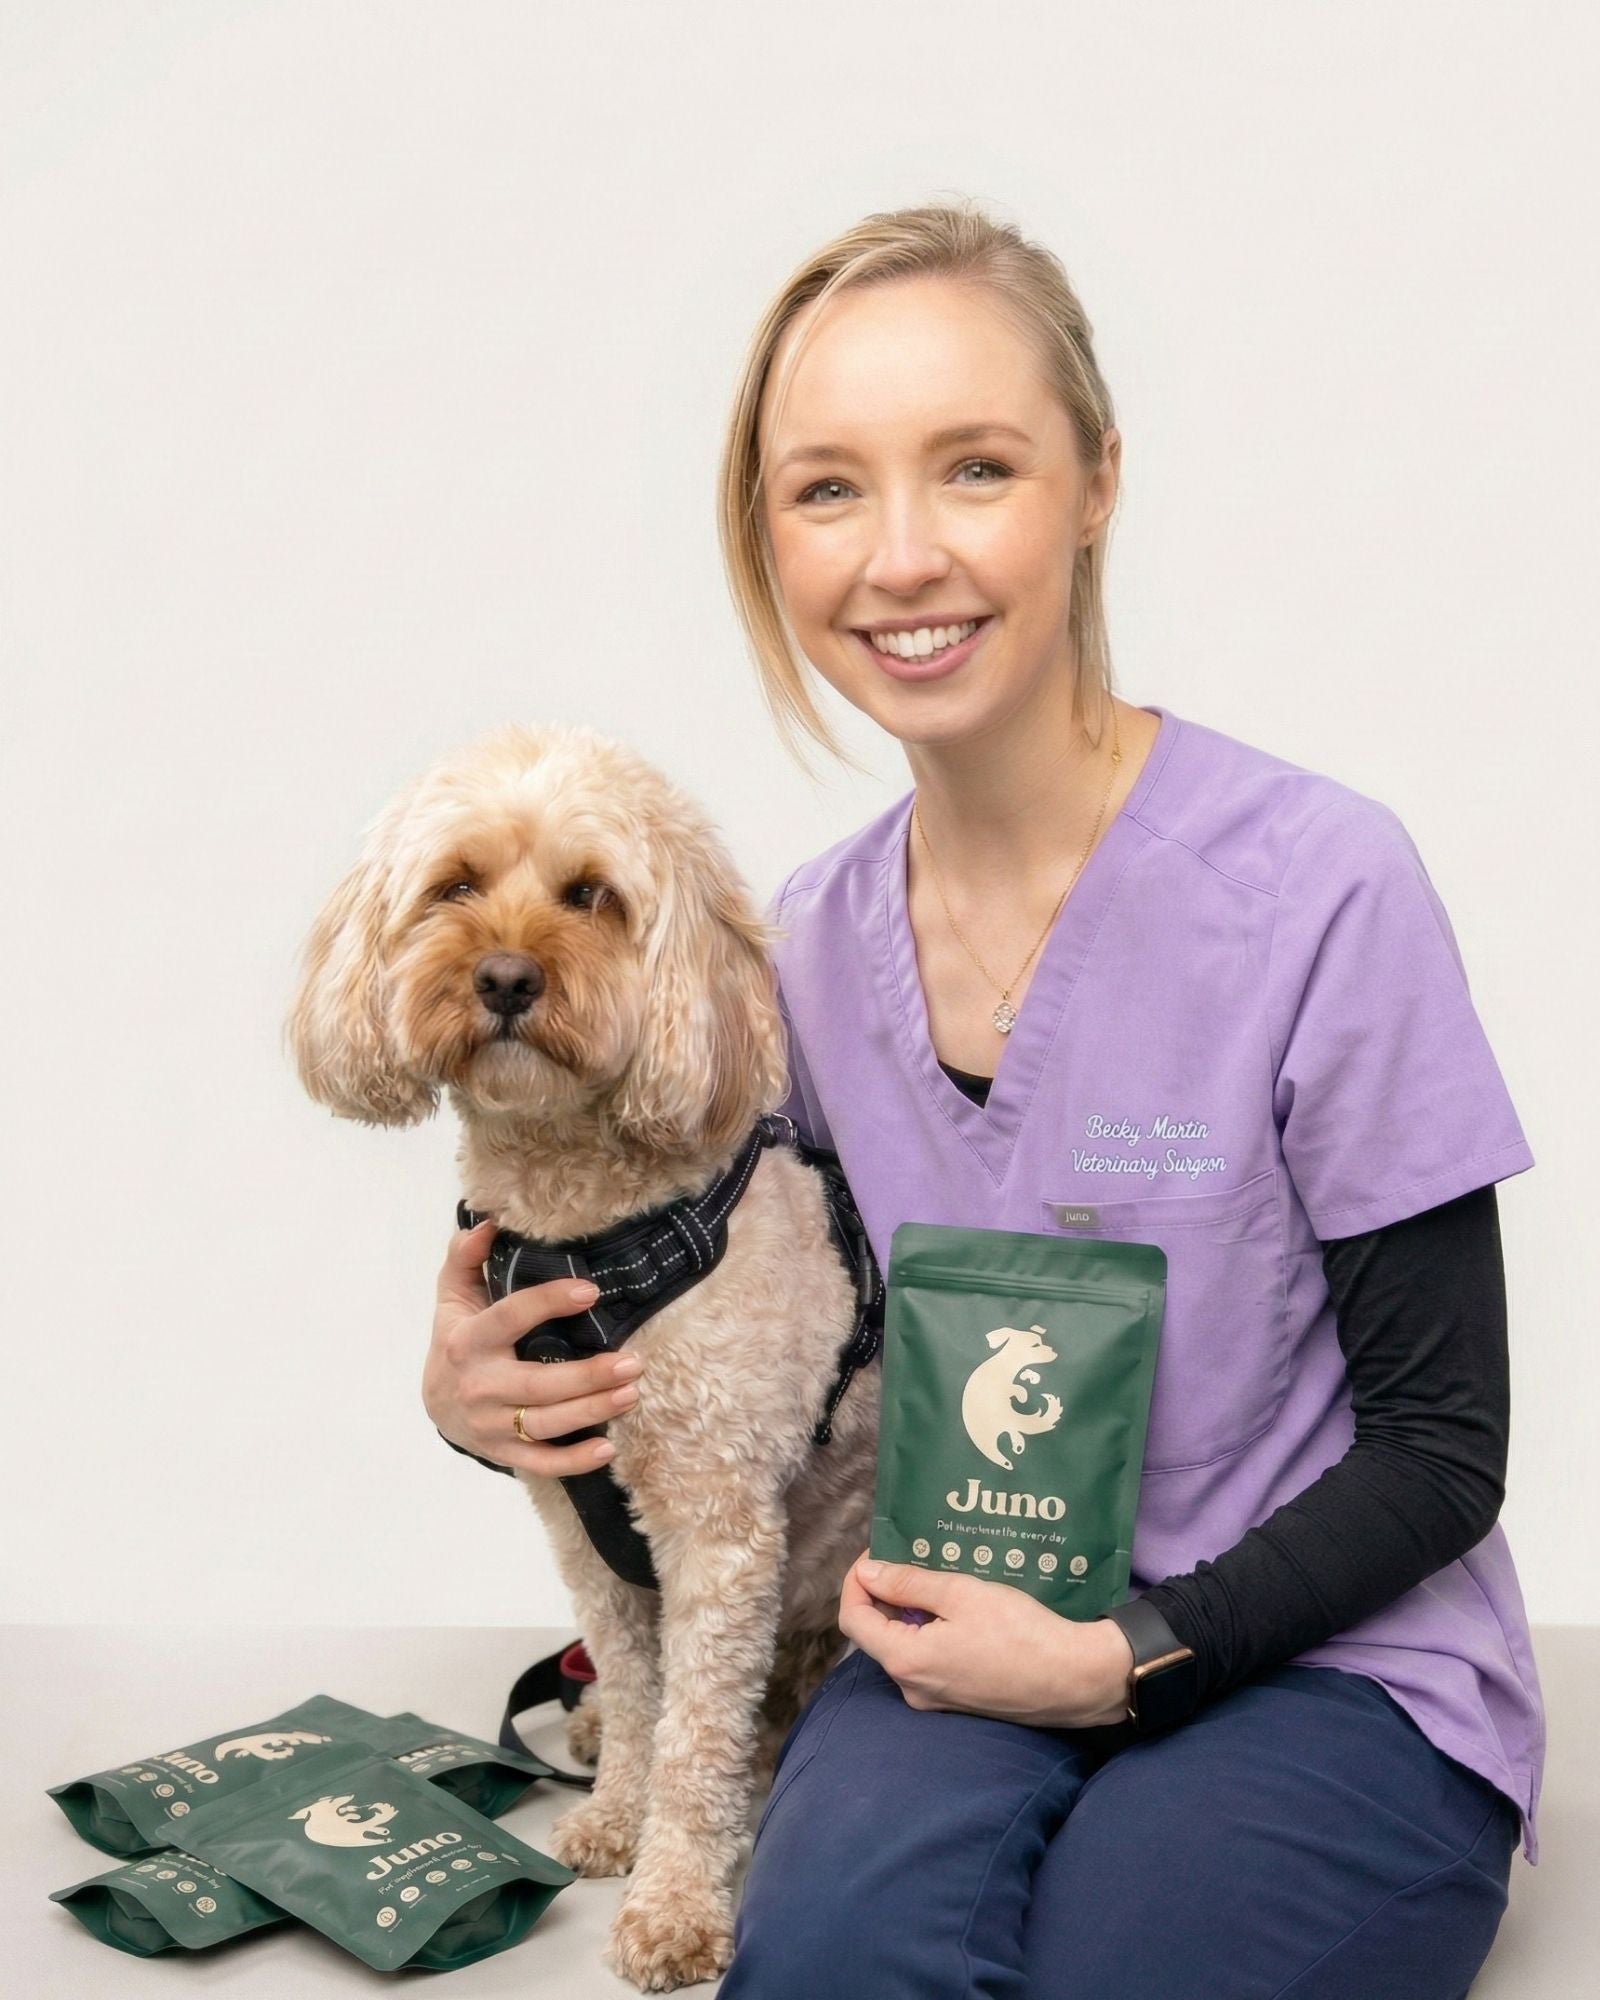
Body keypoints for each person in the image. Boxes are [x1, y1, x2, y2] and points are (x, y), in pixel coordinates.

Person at [424, 202, 1542, 1997]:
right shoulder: (806, 951)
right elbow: (680, 1268)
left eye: (976, 467)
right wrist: (478, 1385)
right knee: (824, 1966)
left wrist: (1129, 1658)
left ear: (1095, 483)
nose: (904, 557)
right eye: (829, 490)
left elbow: (1443, 1448)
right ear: (766, 539)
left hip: (1326, 1664)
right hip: (944, 1632)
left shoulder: (1322, 889)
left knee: (1119, 1966)